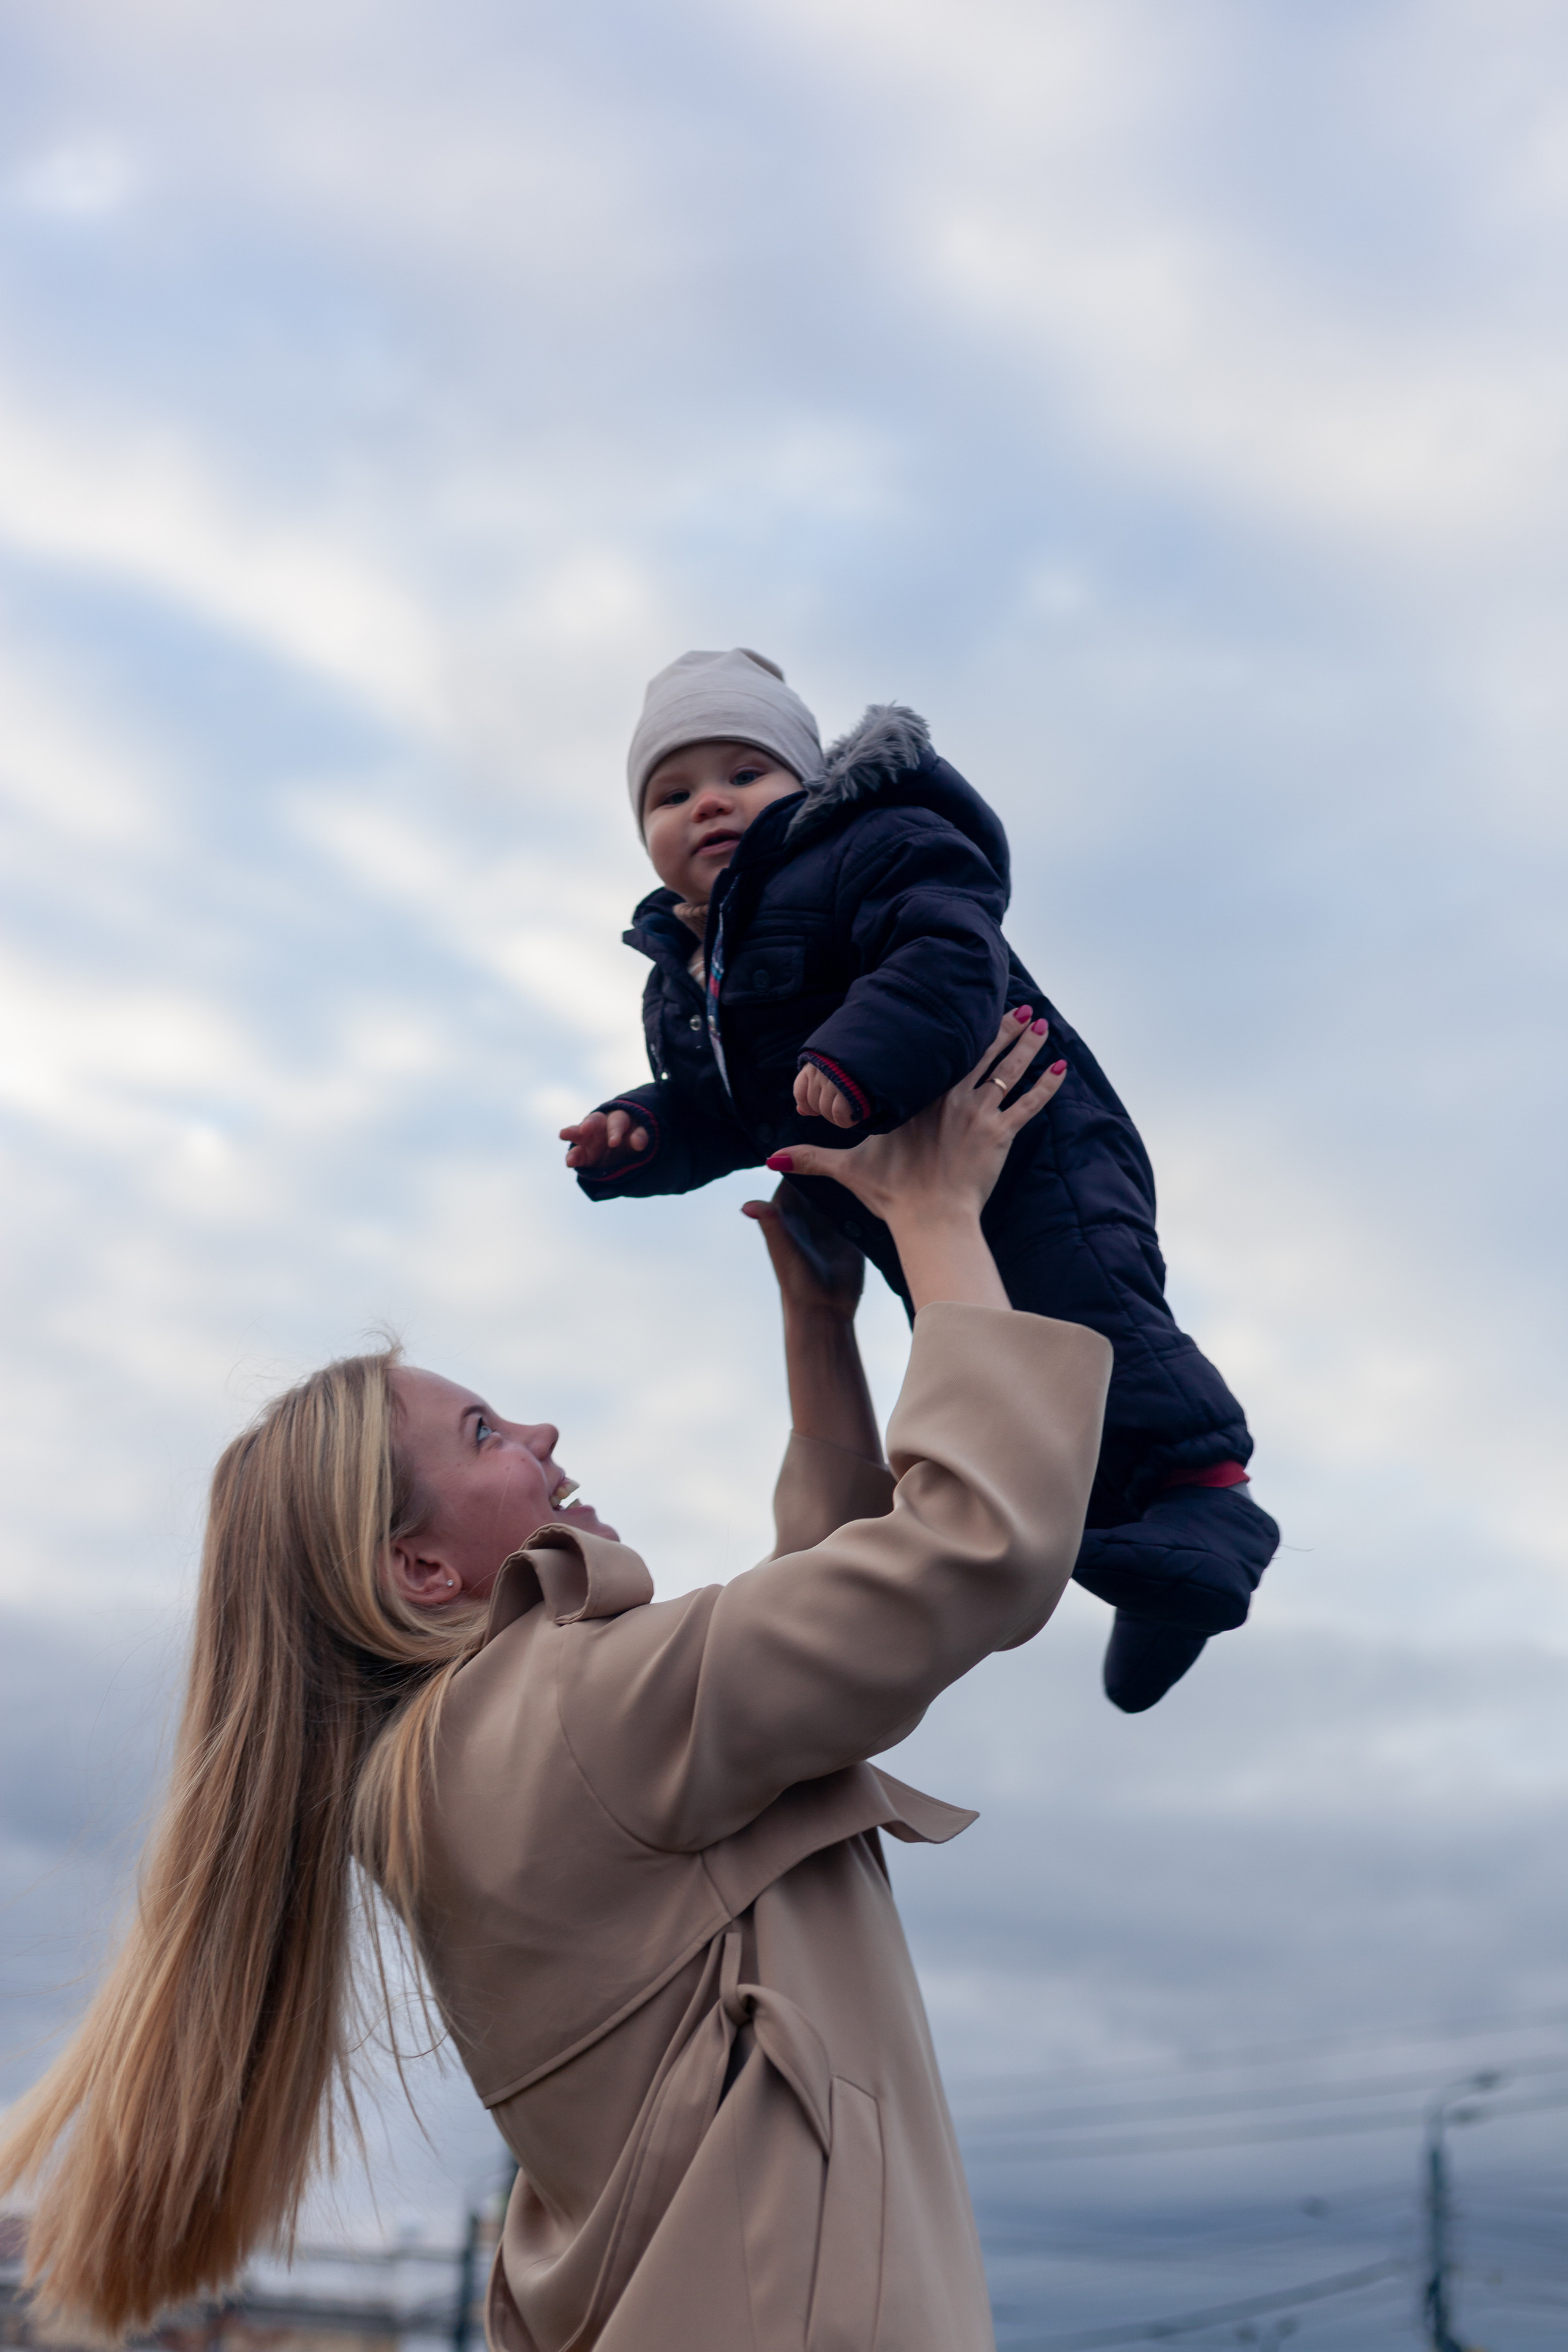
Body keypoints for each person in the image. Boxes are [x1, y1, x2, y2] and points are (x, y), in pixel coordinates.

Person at [0, 1016, 1110, 2352]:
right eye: (484, 1432)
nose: (541, 1432)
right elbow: (964, 1554)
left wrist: (821, 1329)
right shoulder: (568, 1718)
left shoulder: (470, 1763)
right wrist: (936, 1219)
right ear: (416, 1567)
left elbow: (790, 1677)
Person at [561, 647, 1280, 1713]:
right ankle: (1149, 1566)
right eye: (671, 794)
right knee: (1015, 1362)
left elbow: (947, 955)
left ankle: (1206, 1499)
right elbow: (724, 1107)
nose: (708, 802)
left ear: (808, 787)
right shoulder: (687, 982)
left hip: (1035, 1135)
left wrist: (857, 1063)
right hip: (912, 1196)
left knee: (1091, 1311)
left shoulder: (870, 848)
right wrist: (642, 1132)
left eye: (745, 774)